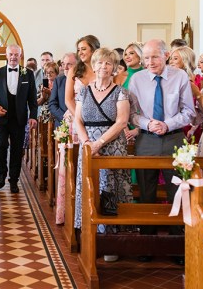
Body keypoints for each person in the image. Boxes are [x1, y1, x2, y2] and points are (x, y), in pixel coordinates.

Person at [128, 39, 195, 264]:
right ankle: (147, 241)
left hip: (174, 139)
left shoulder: (180, 77)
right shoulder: (137, 79)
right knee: (146, 191)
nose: (150, 62)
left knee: (176, 191)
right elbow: (132, 114)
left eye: (155, 57)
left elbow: (188, 112)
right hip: (146, 139)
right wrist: (148, 124)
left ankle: (177, 245)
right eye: (146, 57)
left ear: (166, 55)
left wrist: (169, 124)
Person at [74, 48, 132, 261]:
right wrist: (87, 142)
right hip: (88, 144)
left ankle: (111, 240)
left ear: (114, 68)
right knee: (89, 187)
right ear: (93, 65)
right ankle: (90, 236)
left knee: (110, 187)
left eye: (108, 64)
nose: (103, 67)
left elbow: (122, 122)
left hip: (112, 143)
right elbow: (77, 120)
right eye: (99, 63)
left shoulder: (120, 92)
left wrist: (99, 142)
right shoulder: (83, 91)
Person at [0, 44, 38, 194]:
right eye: (11, 54)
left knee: (16, 150)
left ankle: (14, 180)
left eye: (16, 54)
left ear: (20, 56)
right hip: (3, 117)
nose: (14, 57)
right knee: (1, 146)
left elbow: (32, 98)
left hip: (20, 118)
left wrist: (33, 116)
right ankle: (2, 173)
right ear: (6, 55)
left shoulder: (28, 74)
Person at [48, 52, 76, 125]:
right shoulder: (58, 81)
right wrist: (65, 118)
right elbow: (52, 104)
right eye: (63, 64)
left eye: (69, 64)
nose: (65, 68)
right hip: (62, 123)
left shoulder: (83, 81)